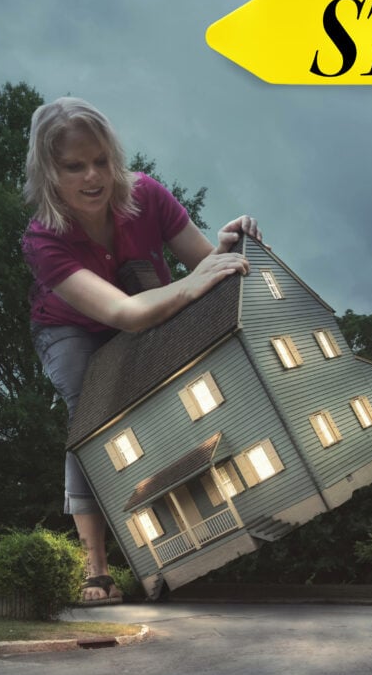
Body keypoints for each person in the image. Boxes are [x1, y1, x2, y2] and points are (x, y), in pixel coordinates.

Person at [21, 97, 262, 605]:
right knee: (88, 414)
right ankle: (97, 570)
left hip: (151, 311)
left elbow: (206, 269)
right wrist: (196, 281)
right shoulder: (43, 240)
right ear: (48, 172)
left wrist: (227, 245)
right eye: (74, 166)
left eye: (101, 160)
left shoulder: (147, 195)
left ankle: (189, 541)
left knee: (173, 401)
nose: (93, 177)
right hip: (74, 330)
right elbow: (126, 314)